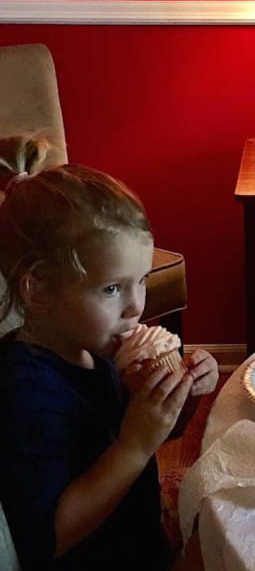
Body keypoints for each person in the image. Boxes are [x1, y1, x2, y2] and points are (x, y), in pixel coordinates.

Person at [0, 135, 218, 570]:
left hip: (140, 540)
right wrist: (135, 445)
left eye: (141, 280)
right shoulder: (24, 393)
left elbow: (152, 434)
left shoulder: (92, 350)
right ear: (37, 288)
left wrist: (178, 402)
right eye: (112, 288)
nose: (137, 305)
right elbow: (47, 539)